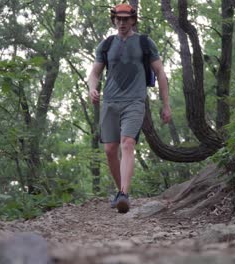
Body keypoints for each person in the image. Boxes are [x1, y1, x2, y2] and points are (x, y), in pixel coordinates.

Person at [88, 3, 171, 213]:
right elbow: (95, 73)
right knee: (109, 150)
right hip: (110, 102)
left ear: (133, 20)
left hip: (135, 101)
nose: (122, 22)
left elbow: (160, 72)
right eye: (118, 18)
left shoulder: (145, 42)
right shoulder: (106, 44)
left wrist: (166, 104)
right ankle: (120, 193)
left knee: (127, 143)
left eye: (126, 19)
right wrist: (92, 88)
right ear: (114, 20)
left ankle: (124, 193)